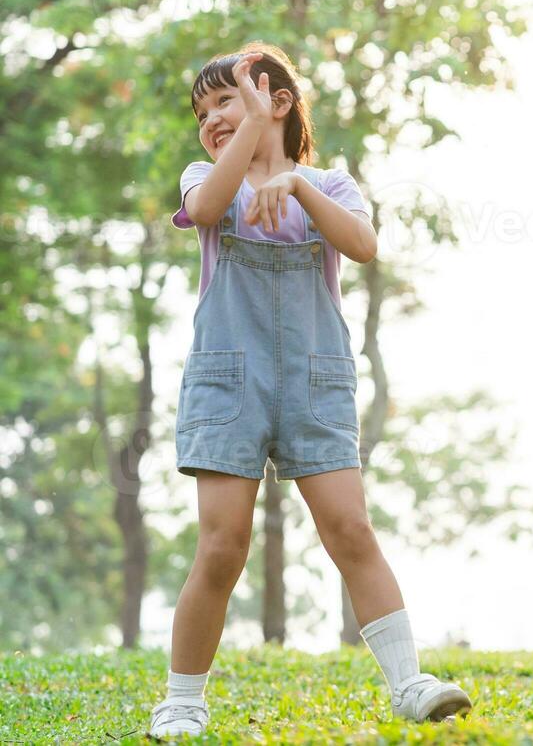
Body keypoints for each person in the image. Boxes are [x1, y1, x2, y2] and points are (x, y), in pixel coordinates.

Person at [149, 44, 469, 738]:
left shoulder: (333, 186)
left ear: (279, 101)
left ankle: (409, 682)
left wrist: (296, 186)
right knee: (222, 544)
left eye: (225, 100)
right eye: (202, 112)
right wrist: (247, 139)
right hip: (228, 378)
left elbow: (362, 245)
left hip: (315, 377)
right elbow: (206, 209)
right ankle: (181, 699)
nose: (210, 119)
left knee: (351, 529)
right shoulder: (205, 176)